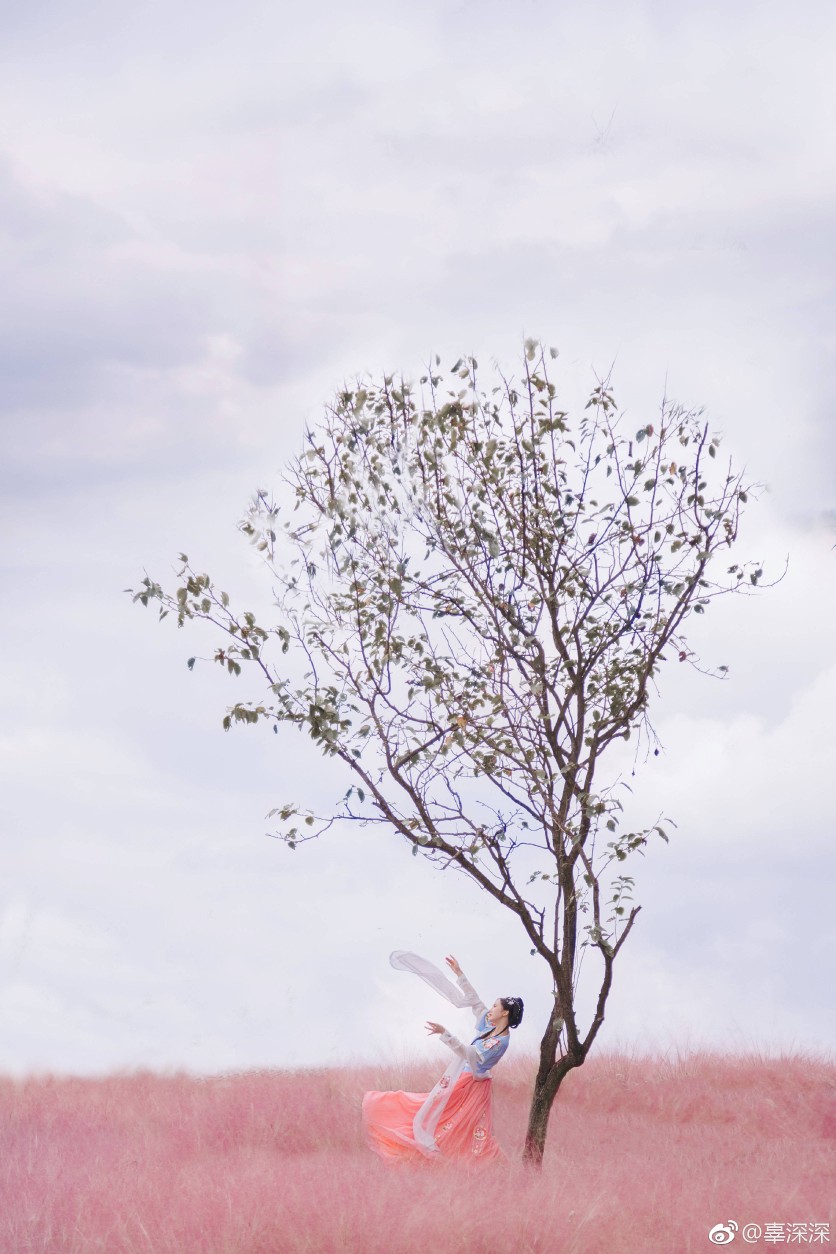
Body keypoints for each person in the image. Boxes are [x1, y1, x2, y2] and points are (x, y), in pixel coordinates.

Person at [362, 954, 524, 1164]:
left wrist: (446, 1034)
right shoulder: (490, 1025)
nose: (490, 1009)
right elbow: (475, 1001)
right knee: (435, 1112)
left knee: (460, 1126)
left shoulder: (500, 1042)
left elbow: (469, 1054)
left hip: (472, 1086)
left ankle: (484, 1168)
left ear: (505, 1014)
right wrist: (459, 973)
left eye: (495, 1007)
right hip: (464, 1079)